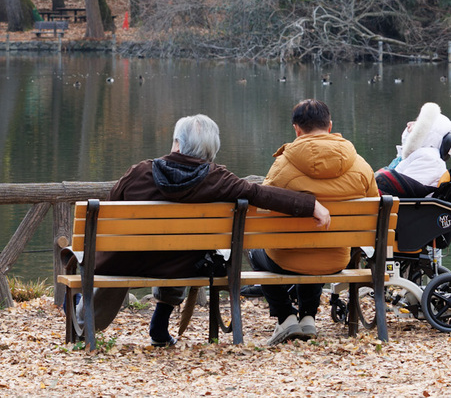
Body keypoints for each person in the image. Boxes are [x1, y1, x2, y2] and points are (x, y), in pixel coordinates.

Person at [81, 114, 331, 346]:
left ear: (177, 144)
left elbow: (107, 213)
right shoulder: (218, 179)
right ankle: (159, 325)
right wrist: (310, 205)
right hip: (182, 266)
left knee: (136, 250)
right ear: (212, 150)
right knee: (181, 248)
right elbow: (259, 193)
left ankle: (83, 320)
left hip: (129, 263)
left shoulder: (139, 173)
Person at [251, 98, 377, 344]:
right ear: (329, 126)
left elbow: (262, 207)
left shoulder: (282, 165)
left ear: (296, 129)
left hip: (286, 260)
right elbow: (374, 207)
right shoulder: (360, 165)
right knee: (319, 242)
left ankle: (286, 317)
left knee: (257, 251)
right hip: (336, 259)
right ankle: (308, 318)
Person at [375, 102, 451, 197]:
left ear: (424, 131)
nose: (409, 124)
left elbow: (401, 191)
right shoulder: (424, 155)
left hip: (399, 205)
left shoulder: (428, 158)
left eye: (417, 122)